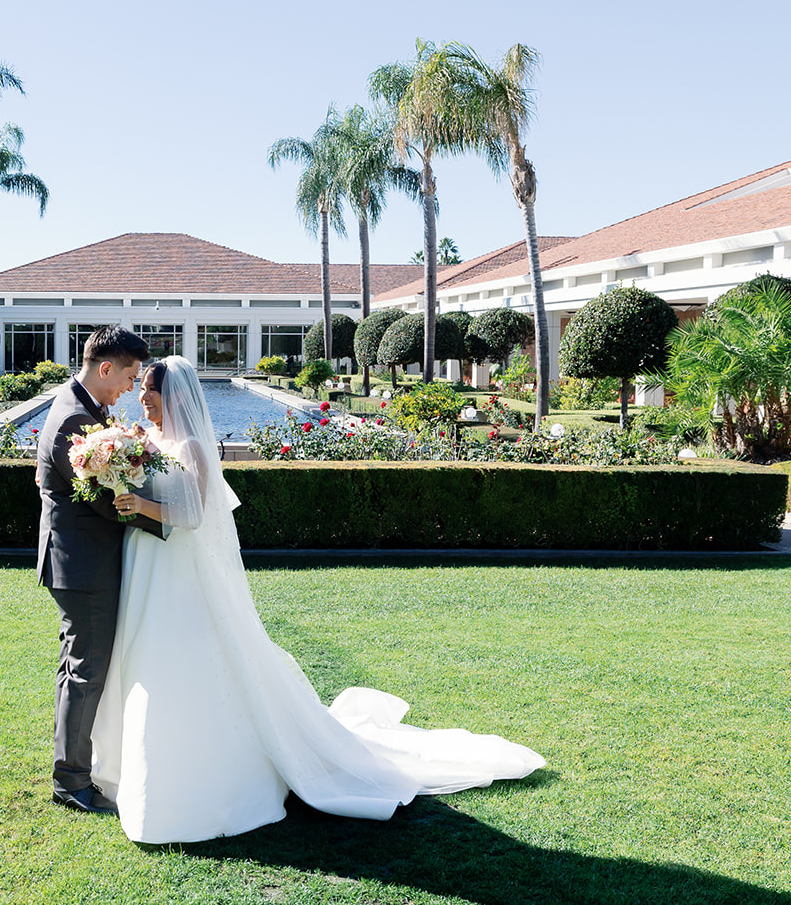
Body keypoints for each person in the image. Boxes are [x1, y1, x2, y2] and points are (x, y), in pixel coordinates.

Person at [91, 355, 545, 844]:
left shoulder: (194, 447)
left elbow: (196, 514)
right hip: (145, 564)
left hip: (180, 571)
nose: (142, 398)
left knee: (188, 659)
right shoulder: (145, 442)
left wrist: (140, 504)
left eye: (150, 391)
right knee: (145, 655)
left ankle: (205, 777)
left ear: (174, 396)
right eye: (140, 390)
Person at [35, 325, 166, 815]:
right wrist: (168, 519)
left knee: (79, 669)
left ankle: (73, 770)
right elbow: (108, 501)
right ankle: (71, 782)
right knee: (85, 672)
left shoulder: (83, 408)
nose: (132, 388)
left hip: (82, 561)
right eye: (130, 376)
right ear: (106, 367)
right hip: (83, 565)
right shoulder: (74, 419)